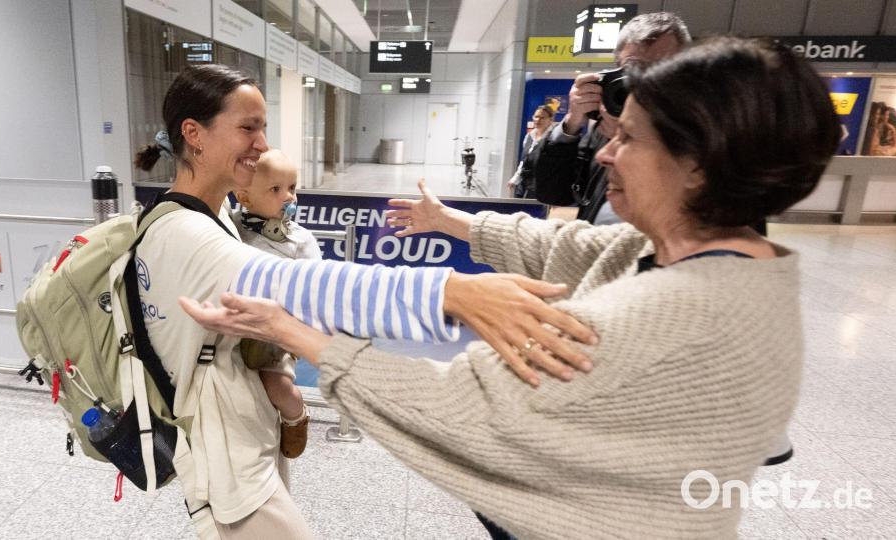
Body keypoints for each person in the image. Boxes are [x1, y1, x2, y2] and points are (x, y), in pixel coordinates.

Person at [179, 37, 840, 539]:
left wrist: (293, 331)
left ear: (698, 164)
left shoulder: (669, 312)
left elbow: (458, 408)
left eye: (629, 138)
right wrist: (449, 222)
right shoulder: (705, 253)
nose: (605, 152)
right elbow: (565, 249)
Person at [132, 64, 596, 539]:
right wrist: (449, 292)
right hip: (221, 446)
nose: (262, 144)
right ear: (195, 134)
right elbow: (301, 285)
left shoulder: (216, 216)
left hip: (246, 424)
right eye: (248, 128)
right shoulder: (184, 231)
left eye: (263, 127)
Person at [535, 12, 690, 224]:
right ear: (617, 72)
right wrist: (571, 124)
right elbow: (554, 193)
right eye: (633, 71)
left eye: (661, 70)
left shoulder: (706, 136)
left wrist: (633, 139)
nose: (645, 84)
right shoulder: (605, 125)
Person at [232, 149, 318, 460]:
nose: (288, 197)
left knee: (276, 386)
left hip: (274, 335)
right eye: (276, 189)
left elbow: (313, 287)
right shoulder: (231, 227)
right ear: (244, 197)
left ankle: (296, 415)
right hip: (235, 329)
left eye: (292, 187)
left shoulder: (300, 240)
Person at [507, 105, 556, 198]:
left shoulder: (553, 138)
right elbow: (524, 161)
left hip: (542, 186)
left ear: (551, 120)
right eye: (536, 117)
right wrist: (515, 178)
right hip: (524, 183)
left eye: (542, 118)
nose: (538, 120)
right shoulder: (529, 136)